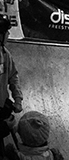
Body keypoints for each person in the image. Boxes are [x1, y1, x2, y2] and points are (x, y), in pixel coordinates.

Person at [0, 14, 24, 145]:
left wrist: (18, 99)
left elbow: (13, 77)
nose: (8, 35)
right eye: (6, 32)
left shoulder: (5, 54)